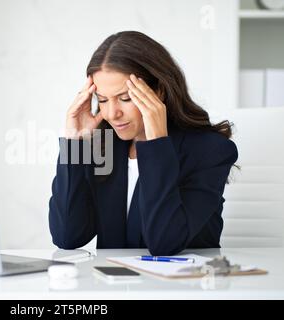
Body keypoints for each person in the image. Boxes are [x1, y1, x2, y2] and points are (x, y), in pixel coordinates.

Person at [48, 31, 238, 256]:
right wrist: (74, 143)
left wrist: (156, 142)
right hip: (112, 286)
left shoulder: (209, 150)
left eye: (125, 98)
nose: (112, 113)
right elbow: (67, 236)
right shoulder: (105, 147)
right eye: (103, 100)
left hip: (182, 288)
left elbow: (164, 244)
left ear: (159, 91)